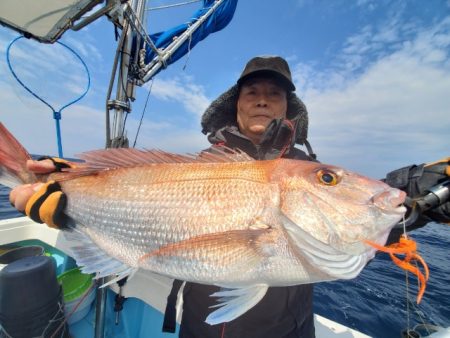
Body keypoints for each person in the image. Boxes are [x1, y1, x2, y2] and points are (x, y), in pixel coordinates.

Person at [9, 56, 450, 338]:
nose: (262, 100)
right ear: (236, 104)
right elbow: (134, 191)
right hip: (201, 329)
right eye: (252, 92)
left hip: (289, 331)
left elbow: (367, 224)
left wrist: (420, 195)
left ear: (286, 107)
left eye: (273, 94)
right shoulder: (202, 163)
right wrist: (71, 194)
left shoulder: (302, 170)